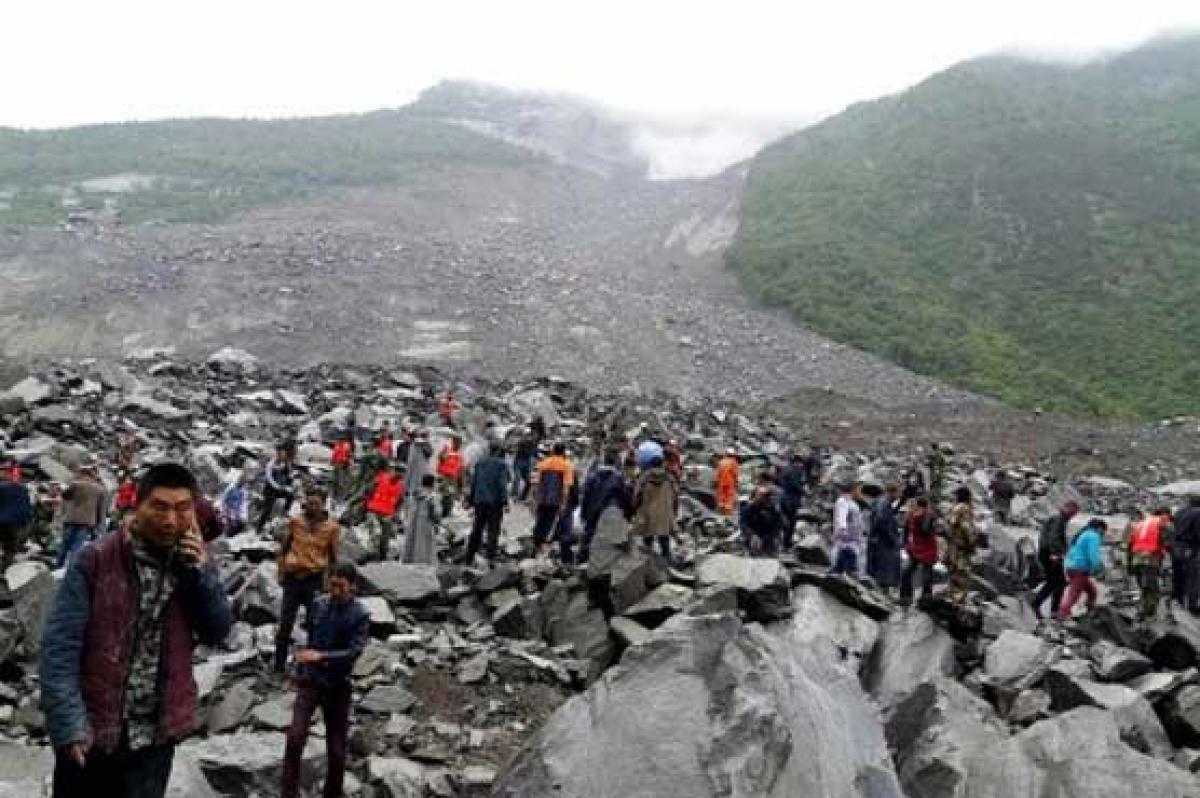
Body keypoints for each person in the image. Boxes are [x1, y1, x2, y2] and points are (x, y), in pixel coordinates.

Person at [40, 463, 232, 798]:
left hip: (154, 741)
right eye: (159, 507)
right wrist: (69, 726)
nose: (171, 520)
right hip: (92, 733)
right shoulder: (95, 560)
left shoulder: (193, 562)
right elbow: (59, 648)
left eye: (182, 509)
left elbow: (217, 631)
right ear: (137, 506)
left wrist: (201, 575)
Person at [280, 560, 369, 798]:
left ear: (352, 586)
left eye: (340, 587)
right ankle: (288, 793)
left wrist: (321, 656)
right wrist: (299, 669)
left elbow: (354, 652)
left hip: (338, 685)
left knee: (337, 750)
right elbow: (309, 641)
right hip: (310, 680)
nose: (335, 592)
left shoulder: (360, 614)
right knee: (295, 739)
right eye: (332, 586)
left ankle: (333, 793)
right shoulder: (319, 605)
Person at [275, 487, 341, 673]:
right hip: (293, 578)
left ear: (323, 505)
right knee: (285, 623)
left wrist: (330, 583)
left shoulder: (332, 528)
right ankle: (278, 666)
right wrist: (281, 572)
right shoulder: (296, 522)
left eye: (316, 504)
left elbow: (333, 557)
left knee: (314, 624)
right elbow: (284, 548)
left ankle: (309, 668)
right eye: (309, 503)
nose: (311, 507)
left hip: (314, 580)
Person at [578, 448, 632, 564]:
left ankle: (582, 561)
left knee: (589, 535)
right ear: (616, 463)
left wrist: (583, 513)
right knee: (607, 539)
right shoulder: (619, 479)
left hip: (592, 511)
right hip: (609, 512)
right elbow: (624, 498)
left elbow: (585, 496)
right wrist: (627, 514)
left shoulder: (593, 477)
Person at [463, 442, 511, 565]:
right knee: (493, 530)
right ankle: (490, 558)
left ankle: (469, 556)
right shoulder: (501, 465)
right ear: (499, 451)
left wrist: (470, 500)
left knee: (477, 529)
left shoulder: (480, 464)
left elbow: (474, 483)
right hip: (495, 503)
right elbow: (502, 484)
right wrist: (505, 501)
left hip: (480, 501)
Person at [1030, 500, 1079, 620]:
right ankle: (1051, 609)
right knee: (1058, 582)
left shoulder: (1058, 519)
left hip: (1047, 553)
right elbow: (1053, 539)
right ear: (1068, 509)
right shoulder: (1059, 520)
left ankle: (1046, 607)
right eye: (1073, 511)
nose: (1073, 515)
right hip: (1050, 555)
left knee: (1055, 582)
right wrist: (1057, 554)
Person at [530, 443, 575, 559]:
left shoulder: (543, 463)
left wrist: (534, 501)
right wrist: (564, 504)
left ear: (553, 451)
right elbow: (566, 488)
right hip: (555, 501)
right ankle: (542, 549)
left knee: (540, 522)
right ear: (563, 452)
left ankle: (535, 545)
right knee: (551, 526)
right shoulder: (566, 466)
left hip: (542, 499)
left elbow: (535, 484)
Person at [1057, 518, 1107, 621]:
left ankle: (1090, 612)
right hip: (1079, 569)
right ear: (1099, 528)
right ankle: (1062, 616)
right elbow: (1093, 555)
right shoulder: (1093, 536)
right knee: (1074, 594)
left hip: (1071, 566)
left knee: (1092, 591)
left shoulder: (1083, 534)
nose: (1104, 534)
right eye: (1103, 531)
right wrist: (1098, 569)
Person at [632, 455, 679, 559]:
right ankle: (667, 562)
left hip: (647, 512)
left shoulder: (644, 477)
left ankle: (649, 562)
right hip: (664, 512)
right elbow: (676, 495)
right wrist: (674, 511)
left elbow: (636, 495)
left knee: (647, 540)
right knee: (664, 539)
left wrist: (635, 508)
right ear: (662, 464)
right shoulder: (669, 477)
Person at [58, 466, 107, 568]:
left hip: (71, 519)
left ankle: (59, 564)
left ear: (83, 474)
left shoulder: (75, 484)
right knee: (77, 546)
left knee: (65, 543)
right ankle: (70, 567)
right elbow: (100, 509)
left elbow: (65, 496)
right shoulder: (100, 489)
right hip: (87, 522)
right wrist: (98, 526)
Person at [1128, 508, 1171, 620]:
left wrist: (1129, 566)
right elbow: (1167, 543)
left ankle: (1143, 610)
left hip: (1136, 559)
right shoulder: (1161, 524)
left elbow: (1130, 544)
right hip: (1150, 559)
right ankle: (1148, 614)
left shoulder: (1141, 524)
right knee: (1152, 588)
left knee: (1143, 586)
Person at [899, 497, 938, 606]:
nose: (912, 508)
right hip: (916, 549)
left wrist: (920, 517)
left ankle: (926, 599)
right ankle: (906, 597)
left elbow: (925, 530)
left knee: (926, 575)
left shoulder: (927, 516)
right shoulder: (912, 517)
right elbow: (907, 533)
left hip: (927, 549)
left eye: (914, 505)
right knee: (906, 572)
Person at [364, 464, 405, 561]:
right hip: (374, 511)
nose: (400, 474)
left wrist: (394, 515)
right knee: (376, 534)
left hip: (387, 515)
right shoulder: (381, 478)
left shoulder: (401, 486)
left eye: (402, 472)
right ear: (393, 470)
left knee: (384, 540)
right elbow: (369, 491)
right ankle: (372, 557)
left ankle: (382, 559)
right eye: (398, 471)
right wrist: (367, 507)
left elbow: (400, 502)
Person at [868, 483, 903, 594]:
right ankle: (880, 592)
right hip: (883, 541)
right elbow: (880, 521)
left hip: (879, 539)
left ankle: (881, 590)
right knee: (884, 568)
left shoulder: (880, 501)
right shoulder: (884, 503)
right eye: (897, 493)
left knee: (881, 567)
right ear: (891, 492)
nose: (898, 496)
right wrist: (892, 537)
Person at [944, 486, 976, 604]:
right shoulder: (964, 508)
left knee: (953, 570)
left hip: (953, 544)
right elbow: (966, 527)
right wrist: (971, 541)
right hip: (962, 545)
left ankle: (951, 595)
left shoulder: (954, 508)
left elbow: (950, 524)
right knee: (962, 571)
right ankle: (959, 598)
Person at [401, 474, 440, 565]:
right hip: (426, 523)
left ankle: (408, 560)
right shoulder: (433, 496)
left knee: (412, 541)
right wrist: (436, 523)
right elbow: (435, 513)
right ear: (432, 484)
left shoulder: (415, 494)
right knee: (424, 545)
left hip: (413, 522)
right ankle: (422, 563)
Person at [256, 445, 295, 533]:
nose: (282, 455)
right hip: (270, 490)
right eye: (280, 454)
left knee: (291, 496)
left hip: (280, 488)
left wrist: (289, 483)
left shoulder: (286, 464)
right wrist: (280, 487)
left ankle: (285, 512)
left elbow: (289, 476)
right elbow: (269, 479)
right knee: (267, 510)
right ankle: (259, 528)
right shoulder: (270, 464)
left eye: (283, 454)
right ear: (277, 454)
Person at [829, 482, 866, 577]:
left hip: (851, 543)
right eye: (859, 490)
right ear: (853, 490)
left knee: (841, 570)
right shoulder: (843, 502)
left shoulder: (851, 502)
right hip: (846, 544)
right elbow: (841, 521)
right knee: (848, 571)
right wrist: (840, 535)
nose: (861, 493)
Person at [0, 466, 32, 571]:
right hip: (17, 523)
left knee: (7, 544)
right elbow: (27, 506)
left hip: (3, 520)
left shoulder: (2, 487)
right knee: (10, 547)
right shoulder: (23, 489)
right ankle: (6, 568)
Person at [739, 485, 785, 557]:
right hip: (751, 537)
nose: (762, 498)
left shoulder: (773, 510)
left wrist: (766, 538)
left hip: (768, 539)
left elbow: (778, 526)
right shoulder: (749, 508)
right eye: (760, 495)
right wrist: (752, 535)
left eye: (765, 496)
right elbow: (743, 523)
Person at [1172, 496, 1200, 612]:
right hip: (1190, 547)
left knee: (1179, 575)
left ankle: (1178, 601)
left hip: (1177, 547)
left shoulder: (1179, 511)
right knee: (1193, 577)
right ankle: (1192, 605)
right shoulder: (1198, 513)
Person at [777, 453, 808, 551]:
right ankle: (786, 543)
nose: (802, 465)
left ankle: (784, 542)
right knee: (790, 523)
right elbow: (796, 485)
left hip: (785, 498)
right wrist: (805, 492)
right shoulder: (793, 471)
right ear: (796, 462)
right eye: (801, 463)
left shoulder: (787, 469)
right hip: (790, 500)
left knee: (787, 522)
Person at [436, 435, 464, 518]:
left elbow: (460, 469)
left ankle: (447, 512)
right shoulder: (447, 450)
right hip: (445, 477)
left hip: (453, 479)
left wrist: (460, 484)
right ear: (453, 442)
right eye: (457, 442)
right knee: (444, 495)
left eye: (460, 443)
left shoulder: (459, 455)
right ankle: (442, 512)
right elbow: (441, 457)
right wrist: (443, 453)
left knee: (450, 495)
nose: (458, 445)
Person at [218, 472, 251, 537]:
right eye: (241, 480)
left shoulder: (244, 491)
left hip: (235, 512)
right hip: (227, 508)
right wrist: (224, 510)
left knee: (240, 523)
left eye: (245, 482)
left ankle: (229, 534)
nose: (245, 484)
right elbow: (223, 499)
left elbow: (243, 504)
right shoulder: (232, 487)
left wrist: (243, 516)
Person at [511, 428, 537, 501]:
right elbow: (517, 450)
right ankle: (514, 494)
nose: (529, 437)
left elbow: (534, 454)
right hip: (519, 462)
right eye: (527, 435)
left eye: (529, 436)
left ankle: (523, 496)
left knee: (528, 480)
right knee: (517, 478)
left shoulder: (532, 443)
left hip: (526, 464)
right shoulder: (521, 442)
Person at [715, 449, 740, 516]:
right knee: (729, 498)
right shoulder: (733, 462)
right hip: (729, 483)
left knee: (721, 498)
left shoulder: (721, 462)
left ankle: (721, 513)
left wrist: (717, 481)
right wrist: (737, 481)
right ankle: (727, 515)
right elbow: (735, 473)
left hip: (721, 483)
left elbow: (718, 473)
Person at [330, 432, 354, 502]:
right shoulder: (337, 445)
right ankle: (334, 495)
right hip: (336, 464)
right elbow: (334, 453)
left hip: (343, 464)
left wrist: (347, 462)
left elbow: (348, 455)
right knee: (335, 480)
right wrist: (332, 461)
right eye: (339, 439)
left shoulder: (347, 446)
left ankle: (341, 496)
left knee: (341, 481)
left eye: (340, 439)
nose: (339, 440)